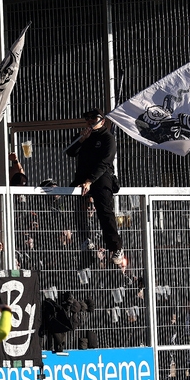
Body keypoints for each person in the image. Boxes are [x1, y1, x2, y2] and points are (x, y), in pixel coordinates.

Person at [66, 108, 123, 264]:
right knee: (77, 206)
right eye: (88, 118)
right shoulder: (85, 136)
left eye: (94, 118)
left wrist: (90, 180)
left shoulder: (107, 138)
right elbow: (70, 151)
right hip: (83, 177)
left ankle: (115, 246)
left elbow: (105, 162)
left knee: (104, 210)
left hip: (100, 177)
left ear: (102, 121)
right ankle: (85, 239)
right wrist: (81, 139)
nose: (90, 120)